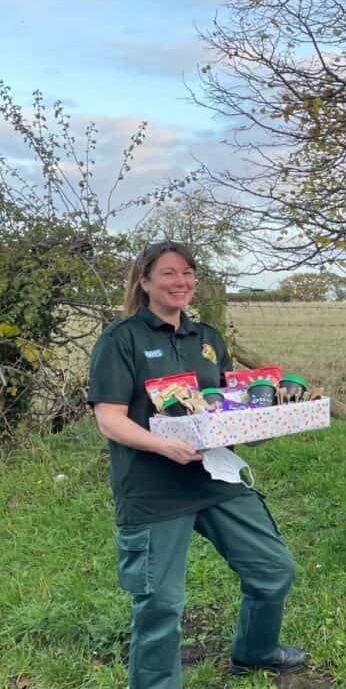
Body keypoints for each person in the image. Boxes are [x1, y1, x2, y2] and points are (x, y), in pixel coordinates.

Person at [87, 241, 306, 688]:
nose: (180, 282)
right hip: (153, 488)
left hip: (216, 478)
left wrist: (263, 423)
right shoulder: (122, 338)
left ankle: (255, 650)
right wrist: (162, 445)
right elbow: (109, 419)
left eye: (187, 273)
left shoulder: (207, 339)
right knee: (160, 606)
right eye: (168, 273)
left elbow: (229, 408)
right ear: (144, 281)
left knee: (273, 568)